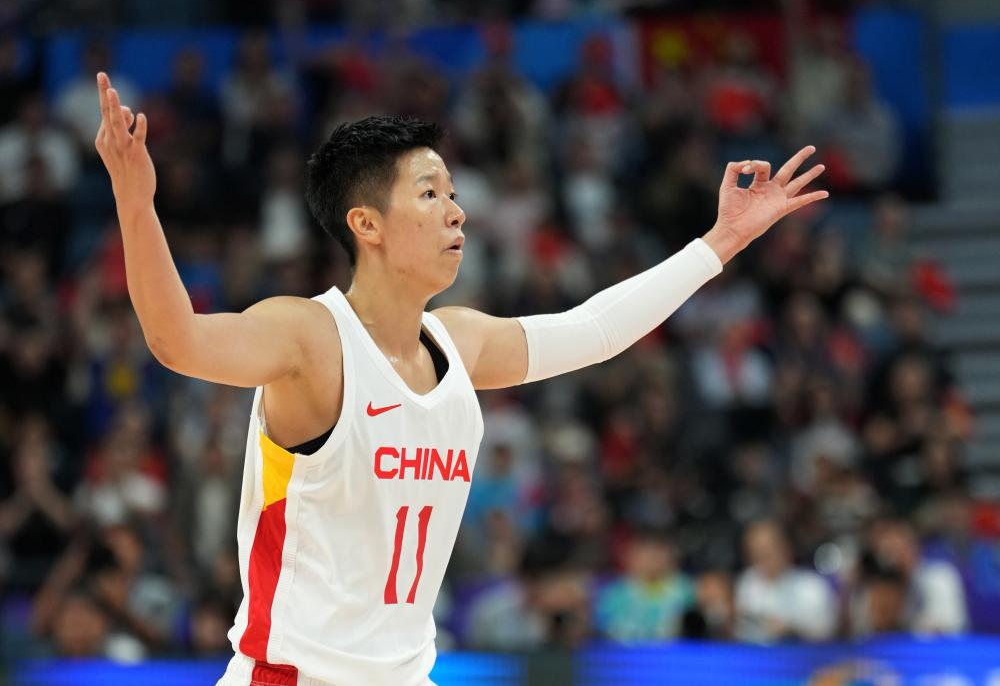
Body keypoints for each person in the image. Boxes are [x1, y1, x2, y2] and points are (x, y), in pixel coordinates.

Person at [93, 71, 828, 686]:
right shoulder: (310, 338)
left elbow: (598, 331)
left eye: (453, 193)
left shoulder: (461, 342)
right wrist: (134, 199)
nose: (457, 212)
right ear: (367, 224)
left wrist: (721, 240)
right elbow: (176, 340)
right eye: (430, 194)